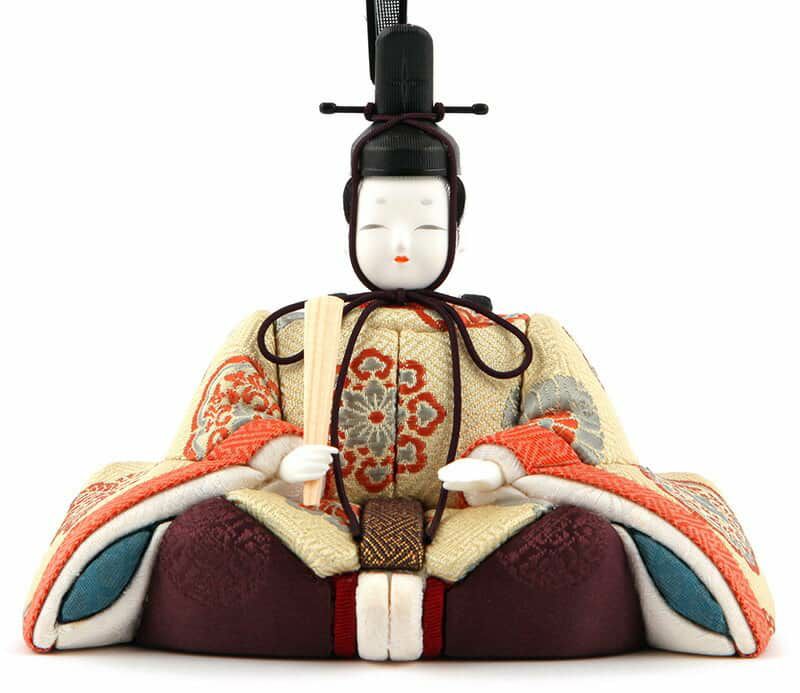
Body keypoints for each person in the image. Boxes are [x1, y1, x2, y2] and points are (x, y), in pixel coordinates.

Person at [24, 22, 773, 662]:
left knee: (577, 548)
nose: (402, 245)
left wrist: (504, 464)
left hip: (478, 526)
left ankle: (401, 616)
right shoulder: (283, 334)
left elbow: (577, 424)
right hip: (309, 523)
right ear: (349, 219)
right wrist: (275, 455)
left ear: (457, 223)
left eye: (426, 224)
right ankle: (365, 613)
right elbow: (221, 419)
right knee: (209, 541)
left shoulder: (515, 339)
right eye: (379, 224)